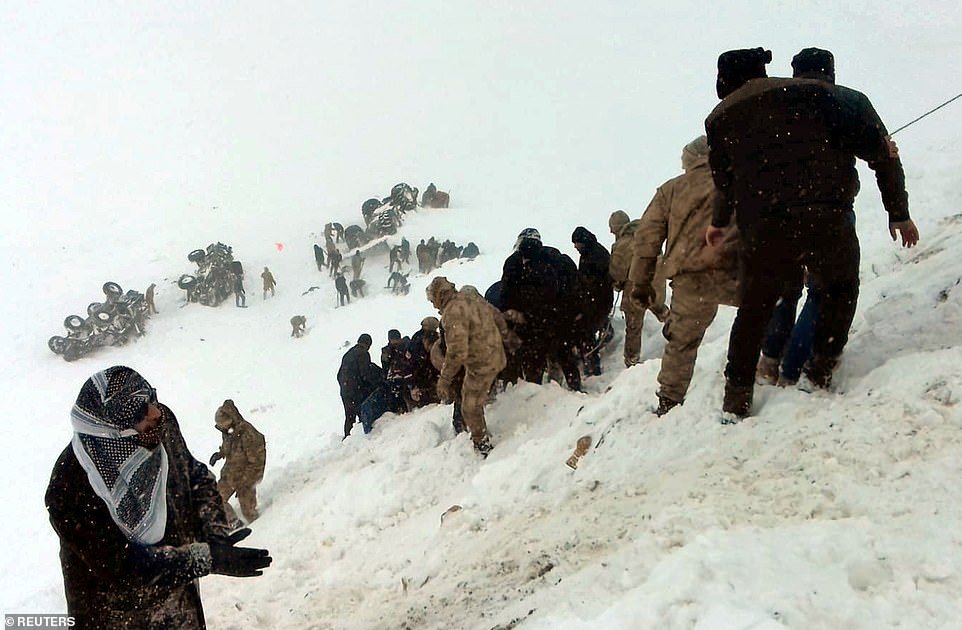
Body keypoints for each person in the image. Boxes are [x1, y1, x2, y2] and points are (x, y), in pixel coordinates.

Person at [704, 47, 918, 418]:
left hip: (765, 225)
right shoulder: (820, 95)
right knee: (838, 289)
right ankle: (818, 370)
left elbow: (725, 182)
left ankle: (737, 394)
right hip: (826, 215)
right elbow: (881, 153)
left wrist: (720, 222)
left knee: (755, 308)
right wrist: (897, 212)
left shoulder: (720, 118)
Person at [45, 366, 271, 628]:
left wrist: (214, 533)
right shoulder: (70, 486)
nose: (154, 412)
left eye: (150, 397)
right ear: (111, 431)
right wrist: (204, 558)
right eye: (140, 411)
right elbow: (123, 569)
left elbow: (192, 473)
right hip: (117, 615)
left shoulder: (158, 424)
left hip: (179, 602)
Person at [628, 135, 740, 415]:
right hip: (736, 271)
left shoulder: (671, 190)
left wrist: (641, 285)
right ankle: (747, 383)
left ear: (689, 159)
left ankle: (669, 401)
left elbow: (646, 242)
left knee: (683, 343)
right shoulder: (737, 180)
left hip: (692, 278)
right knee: (757, 320)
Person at [426, 277, 506, 455]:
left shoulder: (452, 313)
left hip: (477, 362)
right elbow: (498, 318)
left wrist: (444, 379)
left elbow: (456, 352)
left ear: (441, 295)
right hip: (492, 355)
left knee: (469, 406)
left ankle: (482, 444)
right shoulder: (470, 300)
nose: (434, 306)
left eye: (433, 301)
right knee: (471, 402)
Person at [609, 211, 666, 366]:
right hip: (656, 286)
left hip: (636, 290)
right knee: (660, 309)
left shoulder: (622, 244)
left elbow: (617, 273)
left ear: (617, 227)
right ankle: (680, 332)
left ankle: (632, 361)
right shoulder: (648, 236)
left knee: (633, 327)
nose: (611, 232)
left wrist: (617, 283)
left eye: (612, 229)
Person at [209, 400, 266, 525]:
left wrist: (246, 483)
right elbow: (229, 447)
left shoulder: (249, 435)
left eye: (223, 424)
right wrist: (220, 454)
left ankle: (261, 528)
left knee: (248, 511)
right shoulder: (228, 432)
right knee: (216, 498)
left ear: (231, 420)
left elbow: (257, 463)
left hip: (246, 478)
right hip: (230, 475)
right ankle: (234, 523)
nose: (222, 428)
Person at [571, 226, 614, 376]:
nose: (575, 246)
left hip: (598, 299)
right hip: (599, 298)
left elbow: (595, 283)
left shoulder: (595, 255)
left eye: (576, 243)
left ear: (582, 241)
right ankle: (604, 332)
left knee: (585, 331)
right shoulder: (590, 252)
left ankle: (592, 365)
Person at [337, 334, 377, 438]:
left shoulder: (348, 354)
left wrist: (345, 386)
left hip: (345, 391)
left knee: (349, 416)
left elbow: (339, 375)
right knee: (362, 413)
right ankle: (364, 438)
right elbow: (366, 375)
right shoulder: (363, 354)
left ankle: (347, 439)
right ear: (368, 344)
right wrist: (375, 384)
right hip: (356, 390)